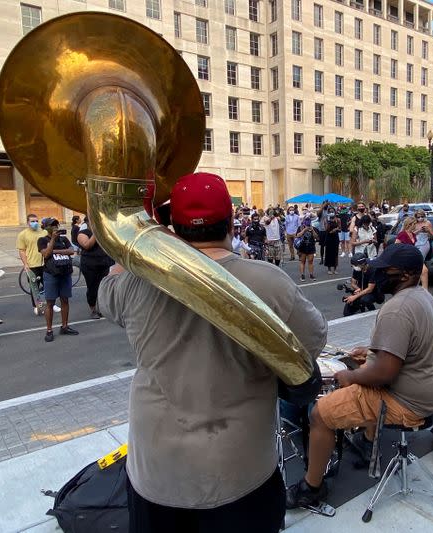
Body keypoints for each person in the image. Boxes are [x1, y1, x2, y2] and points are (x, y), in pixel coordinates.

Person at [98, 172, 327, 532]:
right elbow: (314, 341)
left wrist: (127, 260)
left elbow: (104, 297)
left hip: (156, 471)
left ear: (172, 225)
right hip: (240, 471)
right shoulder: (268, 281)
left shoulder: (135, 278)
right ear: (232, 222)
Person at [286, 243, 433, 508]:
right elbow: (406, 351)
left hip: (408, 401)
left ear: (406, 275)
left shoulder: (397, 309)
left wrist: (351, 378)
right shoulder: (423, 296)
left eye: (386, 271)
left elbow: (384, 374)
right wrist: (372, 353)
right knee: (359, 368)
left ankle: (312, 487)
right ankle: (367, 439)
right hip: (431, 390)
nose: (378, 275)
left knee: (320, 413)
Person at [38, 218, 78, 342]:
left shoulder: (64, 239)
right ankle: (49, 330)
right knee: (50, 302)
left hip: (65, 273)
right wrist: (53, 240)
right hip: (51, 274)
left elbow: (72, 251)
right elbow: (45, 254)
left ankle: (64, 326)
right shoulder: (42, 240)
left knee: (65, 300)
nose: (55, 227)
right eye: (52, 225)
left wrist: (55, 250)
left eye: (56, 224)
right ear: (46, 228)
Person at [17, 213, 52, 315]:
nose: (35, 223)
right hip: (32, 265)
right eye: (32, 221)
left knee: (49, 285)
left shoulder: (44, 232)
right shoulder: (22, 234)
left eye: (36, 221)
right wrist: (25, 264)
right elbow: (22, 251)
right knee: (34, 288)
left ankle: (51, 304)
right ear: (28, 222)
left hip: (45, 264)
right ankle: (37, 306)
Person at [77, 222, 113, 319]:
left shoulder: (103, 232)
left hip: (104, 263)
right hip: (90, 265)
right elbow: (87, 245)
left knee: (102, 287)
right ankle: (93, 309)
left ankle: (100, 308)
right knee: (92, 287)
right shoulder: (83, 233)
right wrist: (96, 233)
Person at [395, 217, 430, 290]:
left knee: (424, 271)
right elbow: (396, 247)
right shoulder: (402, 234)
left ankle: (425, 291)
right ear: (410, 224)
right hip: (406, 257)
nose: (416, 225)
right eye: (414, 224)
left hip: (413, 256)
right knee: (411, 276)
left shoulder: (412, 234)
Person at [296, 217, 318, 281]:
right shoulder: (300, 228)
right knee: (302, 262)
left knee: (310, 261)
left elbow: (316, 237)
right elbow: (297, 235)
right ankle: (302, 275)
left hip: (311, 247)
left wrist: (312, 230)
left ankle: (311, 274)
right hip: (302, 247)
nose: (307, 225)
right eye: (306, 223)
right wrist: (304, 230)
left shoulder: (313, 228)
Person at [322, 208, 341, 275]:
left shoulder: (338, 219)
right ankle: (329, 268)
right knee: (328, 253)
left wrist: (336, 229)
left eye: (332, 211)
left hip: (335, 238)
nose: (331, 212)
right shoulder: (326, 220)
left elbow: (340, 229)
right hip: (329, 238)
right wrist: (329, 222)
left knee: (335, 253)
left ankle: (335, 268)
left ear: (334, 212)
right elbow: (326, 229)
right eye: (330, 212)